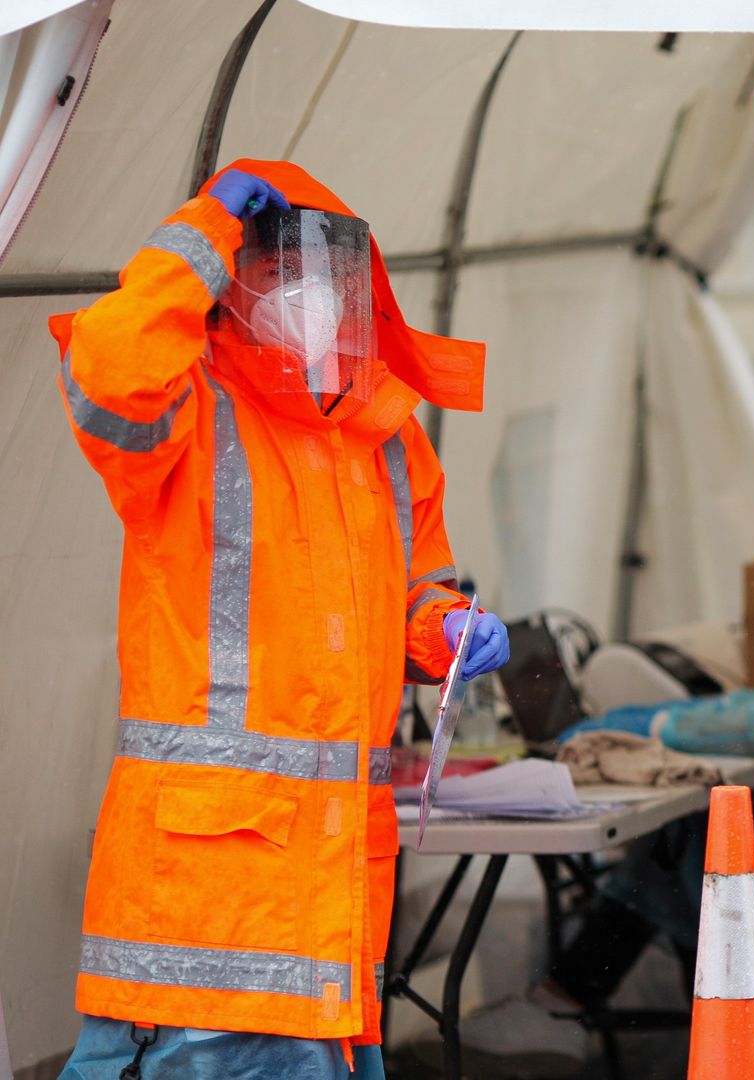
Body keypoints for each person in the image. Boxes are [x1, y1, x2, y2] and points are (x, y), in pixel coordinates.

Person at [50, 161, 508, 1079]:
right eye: (275, 267)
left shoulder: (385, 435)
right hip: (201, 903)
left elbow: (416, 587)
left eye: (326, 272)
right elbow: (110, 371)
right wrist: (200, 234)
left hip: (328, 904)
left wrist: (445, 630)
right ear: (230, 283)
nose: (307, 293)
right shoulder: (191, 407)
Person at [463, 419, 754, 1075]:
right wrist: (670, 717)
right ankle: (571, 1005)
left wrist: (655, 726)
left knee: (691, 835)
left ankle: (575, 1008)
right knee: (703, 830)